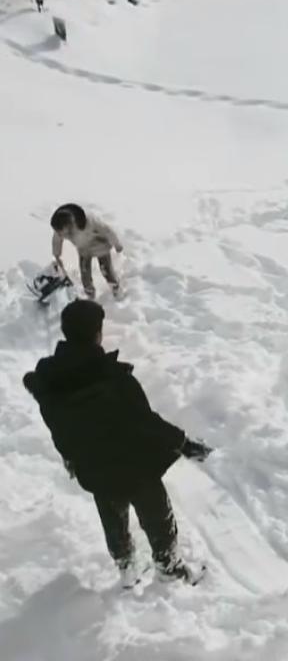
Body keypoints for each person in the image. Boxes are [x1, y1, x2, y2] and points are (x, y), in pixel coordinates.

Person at [22, 300, 214, 587]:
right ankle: (168, 566)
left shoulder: (50, 383)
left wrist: (72, 457)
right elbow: (146, 422)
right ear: (97, 334)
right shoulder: (114, 379)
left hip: (92, 465)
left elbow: (56, 422)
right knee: (157, 515)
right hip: (133, 464)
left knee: (111, 515)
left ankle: (126, 567)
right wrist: (183, 443)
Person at [51, 203, 124, 300]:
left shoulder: (89, 221)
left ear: (69, 224)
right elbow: (57, 240)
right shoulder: (60, 227)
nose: (60, 234)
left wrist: (117, 244)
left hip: (100, 246)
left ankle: (115, 288)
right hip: (84, 250)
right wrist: (57, 254)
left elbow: (107, 230)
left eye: (61, 231)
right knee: (85, 274)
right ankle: (90, 293)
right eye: (58, 231)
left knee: (106, 270)